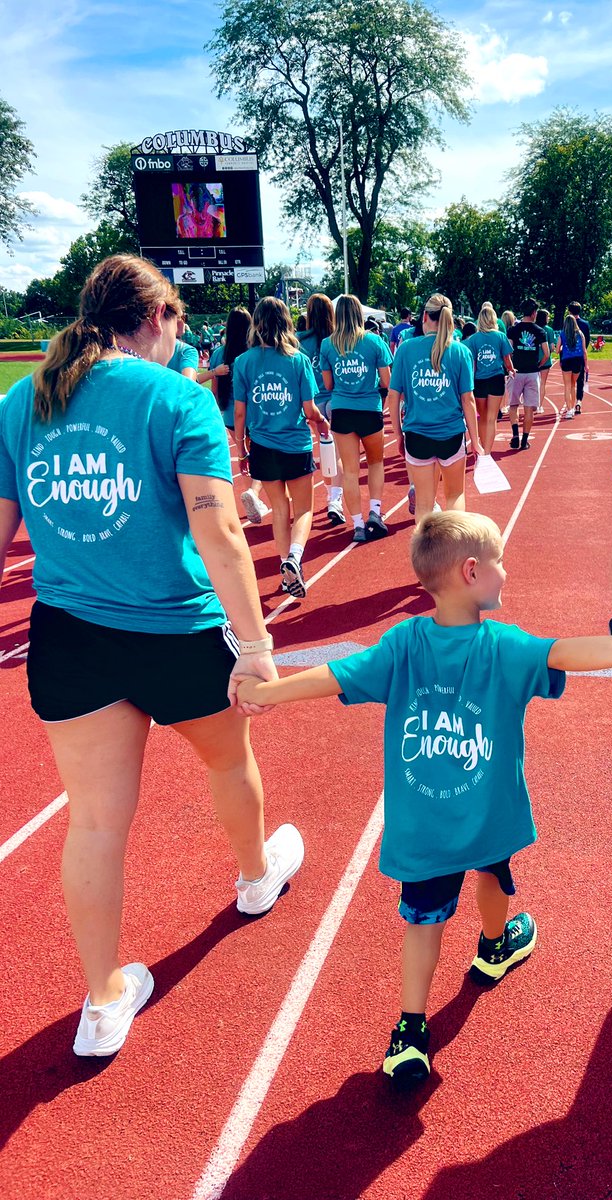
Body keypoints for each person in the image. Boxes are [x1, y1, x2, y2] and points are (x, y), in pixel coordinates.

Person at [236, 510, 612, 1081]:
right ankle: (494, 947)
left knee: (423, 923)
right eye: (499, 562)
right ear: (472, 571)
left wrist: (270, 692)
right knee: (493, 877)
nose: (504, 572)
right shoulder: (505, 646)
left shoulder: (401, 643)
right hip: (487, 817)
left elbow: (333, 677)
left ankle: (409, 1033)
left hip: (424, 829)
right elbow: (563, 652)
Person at [0, 255, 304, 1057]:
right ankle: (253, 877)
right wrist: (255, 645)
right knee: (228, 761)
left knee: (95, 821)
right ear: (161, 317)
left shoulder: (19, 403)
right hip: (176, 631)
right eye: (175, 323)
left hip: (71, 638)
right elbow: (221, 533)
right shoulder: (178, 397)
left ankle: (101, 1004)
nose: (179, 336)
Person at [232, 297, 322, 599]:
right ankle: (294, 558)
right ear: (286, 322)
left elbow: (240, 413)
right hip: (295, 444)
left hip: (262, 446)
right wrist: (321, 423)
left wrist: (242, 448)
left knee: (280, 509)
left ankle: (286, 569)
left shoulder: (243, 362)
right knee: (305, 508)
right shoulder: (298, 360)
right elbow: (310, 409)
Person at [387, 293, 482, 521]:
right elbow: (467, 400)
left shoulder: (406, 349)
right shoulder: (460, 352)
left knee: (424, 503)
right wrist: (475, 441)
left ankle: (423, 556)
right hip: (451, 435)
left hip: (417, 434)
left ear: (424, 317)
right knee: (455, 494)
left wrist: (398, 434)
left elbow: (393, 396)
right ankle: (455, 552)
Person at [319, 295, 393, 543]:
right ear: (359, 314)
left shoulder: (327, 344)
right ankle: (375, 511)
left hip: (342, 410)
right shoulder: (374, 342)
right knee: (375, 463)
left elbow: (328, 384)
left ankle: (358, 525)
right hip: (369, 408)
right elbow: (387, 382)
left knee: (350, 471)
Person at [209, 307, 270, 527]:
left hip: (229, 414)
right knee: (261, 455)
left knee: (244, 457)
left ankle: (251, 493)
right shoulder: (254, 353)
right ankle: (255, 493)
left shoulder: (219, 353)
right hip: (255, 413)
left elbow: (214, 390)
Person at [298, 293, 344, 527]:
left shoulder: (298, 340)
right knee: (336, 452)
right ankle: (335, 499)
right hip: (336, 398)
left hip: (312, 403)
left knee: (325, 450)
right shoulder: (337, 340)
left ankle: (331, 496)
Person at [463, 302, 514, 456]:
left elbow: (472, 363)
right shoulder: (500, 336)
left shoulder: (473, 339)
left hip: (479, 381)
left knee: (483, 417)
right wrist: (512, 370)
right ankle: (487, 452)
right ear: (493, 319)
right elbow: (507, 359)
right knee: (492, 418)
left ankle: (482, 448)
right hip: (496, 379)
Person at [506, 299, 549, 451]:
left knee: (513, 405)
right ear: (533, 313)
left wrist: (511, 365)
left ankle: (515, 434)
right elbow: (546, 353)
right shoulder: (539, 330)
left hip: (516, 372)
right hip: (532, 373)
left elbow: (508, 350)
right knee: (529, 408)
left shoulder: (513, 329)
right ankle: (525, 440)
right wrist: (539, 364)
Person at [556, 313, 587, 418]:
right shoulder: (580, 333)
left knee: (567, 386)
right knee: (573, 384)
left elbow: (556, 350)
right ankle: (572, 407)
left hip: (566, 360)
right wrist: (586, 365)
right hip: (578, 361)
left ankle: (569, 410)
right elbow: (584, 351)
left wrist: (561, 349)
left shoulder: (562, 333)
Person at [567, 301, 591, 406]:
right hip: (580, 355)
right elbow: (588, 339)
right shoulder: (585, 324)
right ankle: (579, 400)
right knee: (580, 379)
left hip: (567, 356)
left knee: (568, 380)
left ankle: (570, 402)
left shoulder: (566, 323)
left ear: (569, 311)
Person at [536, 308, 555, 413]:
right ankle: (539, 405)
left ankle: (532, 404)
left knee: (532, 383)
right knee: (542, 383)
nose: (549, 318)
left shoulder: (534, 328)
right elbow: (552, 347)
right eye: (548, 317)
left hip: (534, 359)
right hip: (546, 360)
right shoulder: (549, 330)